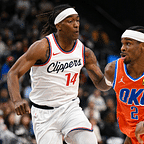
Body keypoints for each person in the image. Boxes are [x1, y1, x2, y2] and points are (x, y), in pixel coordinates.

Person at [7, 4, 109, 144]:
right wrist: (17, 99)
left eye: (77, 20)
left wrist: (110, 78)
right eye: (70, 21)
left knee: (89, 140)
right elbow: (13, 73)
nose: (76, 25)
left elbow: (101, 85)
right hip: (44, 114)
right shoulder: (43, 47)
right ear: (59, 25)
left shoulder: (85, 52)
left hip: (70, 108)